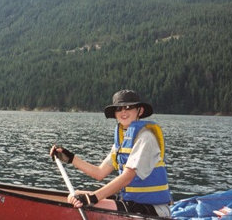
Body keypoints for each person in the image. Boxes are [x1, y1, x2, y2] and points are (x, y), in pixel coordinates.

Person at [50, 89, 172, 217]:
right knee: (74, 195)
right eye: (119, 109)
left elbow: (127, 177)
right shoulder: (122, 142)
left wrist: (93, 198)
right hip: (131, 202)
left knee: (88, 203)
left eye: (129, 107)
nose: (123, 112)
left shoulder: (146, 138)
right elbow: (99, 173)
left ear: (139, 111)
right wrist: (70, 158)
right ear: (115, 113)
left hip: (155, 210)